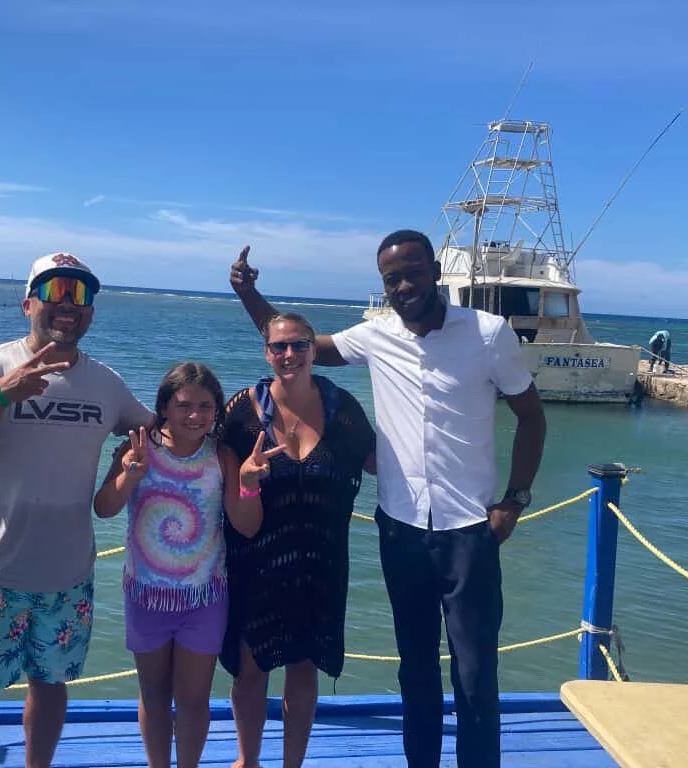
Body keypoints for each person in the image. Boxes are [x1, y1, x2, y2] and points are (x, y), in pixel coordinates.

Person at [229, 231, 547, 768]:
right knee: (415, 669)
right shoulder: (377, 336)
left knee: (474, 672)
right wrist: (248, 295)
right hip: (399, 529)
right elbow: (298, 344)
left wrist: (513, 502)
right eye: (391, 279)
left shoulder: (489, 334)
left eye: (412, 272)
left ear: (436, 271)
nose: (403, 286)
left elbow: (532, 418)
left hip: (470, 528)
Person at [0, 252, 153, 768]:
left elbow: (158, 432)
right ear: (29, 302)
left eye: (82, 294)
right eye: (55, 291)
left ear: (92, 311)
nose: (69, 305)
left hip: (68, 576)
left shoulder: (106, 383)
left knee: (51, 689)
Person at [93, 362, 279, 768]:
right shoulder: (137, 448)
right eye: (183, 405)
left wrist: (248, 483)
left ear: (217, 412)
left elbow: (246, 526)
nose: (194, 415)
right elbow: (104, 508)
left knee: (193, 701)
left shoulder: (223, 457)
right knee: (154, 696)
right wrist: (130, 476)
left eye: (205, 406)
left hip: (204, 597)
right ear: (163, 407)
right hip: (146, 595)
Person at [221, 311, 377, 768]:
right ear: (266, 352)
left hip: (321, 559)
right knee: (252, 667)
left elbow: (377, 460)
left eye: (299, 345)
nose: (289, 355)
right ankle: (247, 761)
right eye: (278, 347)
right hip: (257, 559)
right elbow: (202, 454)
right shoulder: (242, 412)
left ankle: (293, 765)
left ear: (314, 349)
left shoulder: (341, 407)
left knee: (304, 664)